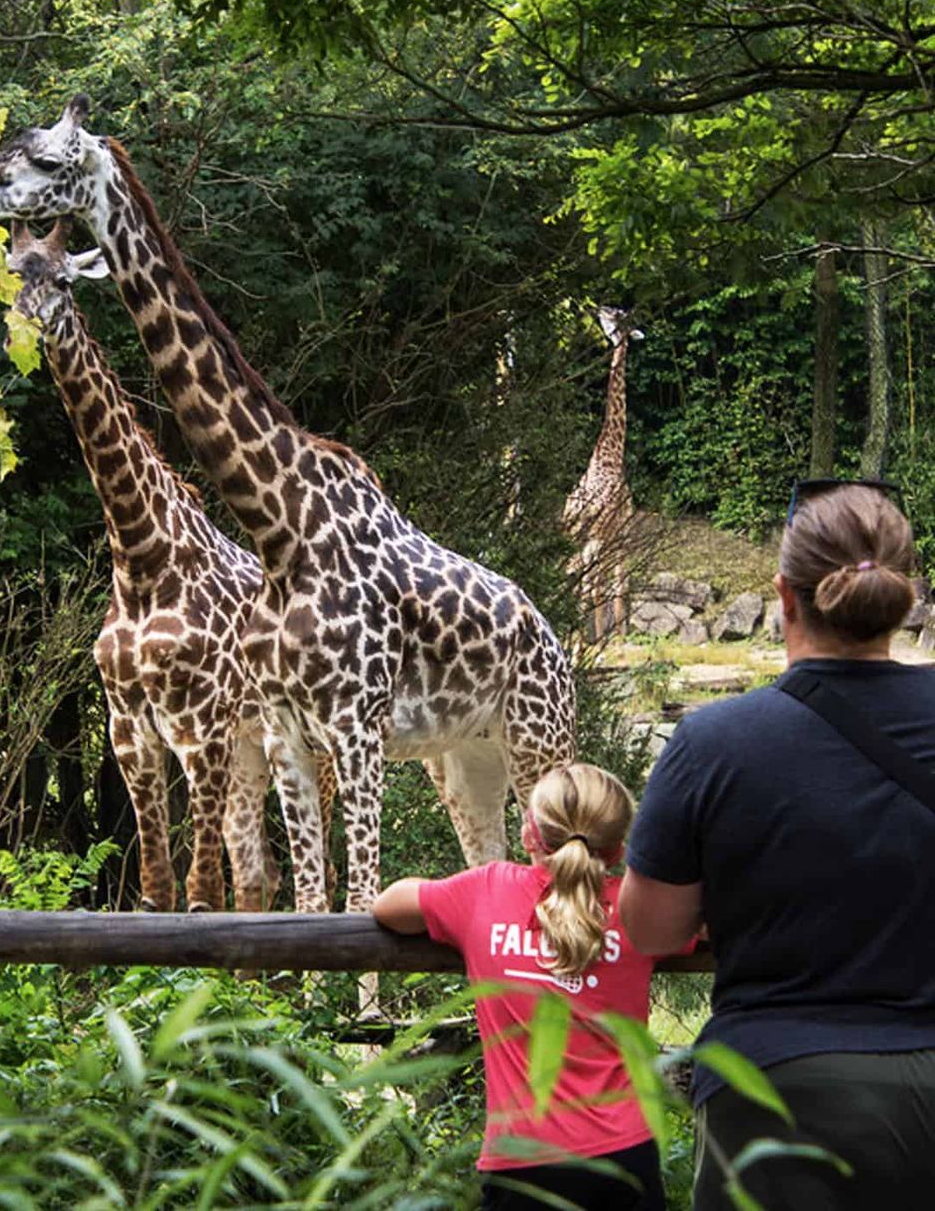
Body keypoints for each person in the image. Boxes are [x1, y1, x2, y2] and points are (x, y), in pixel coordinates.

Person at [619, 480, 935, 1209]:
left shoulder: (714, 742)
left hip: (777, 1091)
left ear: (783, 596)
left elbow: (650, 927)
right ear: (901, 595)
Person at [373, 761, 686, 1211]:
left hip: (522, 1160)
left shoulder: (484, 892)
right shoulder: (639, 907)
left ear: (529, 837)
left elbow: (388, 906)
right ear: (618, 850)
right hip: (625, 1153)